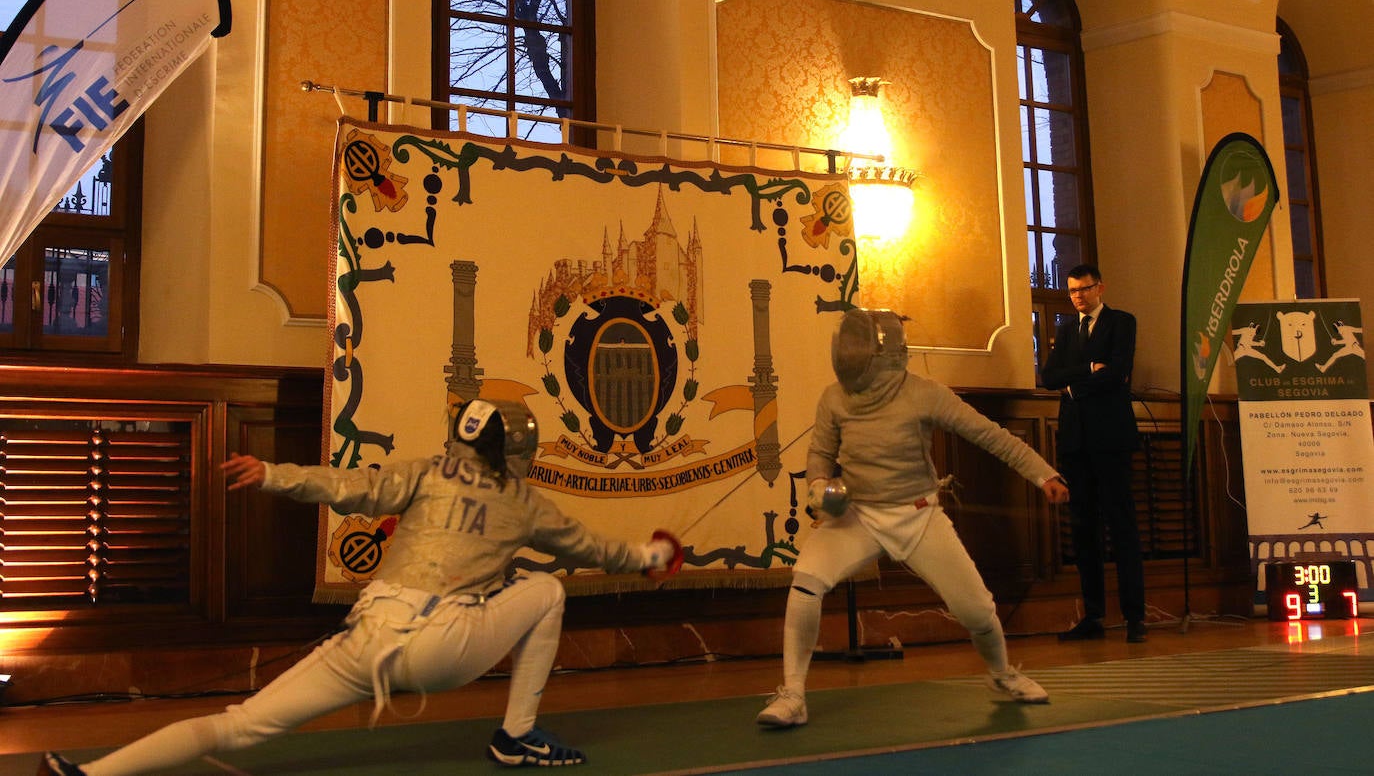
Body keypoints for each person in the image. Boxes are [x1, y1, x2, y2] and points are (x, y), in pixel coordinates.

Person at [40, 399, 682, 775]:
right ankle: (516, 734)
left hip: (366, 641)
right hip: (442, 652)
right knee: (547, 591)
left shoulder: (426, 474)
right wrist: (652, 555)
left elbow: (349, 486)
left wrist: (270, 471)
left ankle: (91, 775)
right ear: (515, 450)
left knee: (238, 724)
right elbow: (597, 551)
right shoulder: (526, 503)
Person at [756, 308, 1071, 728]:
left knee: (977, 611)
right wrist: (818, 484)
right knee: (807, 582)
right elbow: (821, 452)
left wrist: (1042, 472)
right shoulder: (834, 397)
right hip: (859, 515)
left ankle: (1000, 675)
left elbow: (989, 434)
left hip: (919, 517)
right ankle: (793, 695)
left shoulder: (925, 393)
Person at [1040, 263, 1146, 644]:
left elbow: (1117, 373)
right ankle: (1094, 616)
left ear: (1100, 287)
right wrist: (1086, 368)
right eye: (1071, 291)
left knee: (1122, 527)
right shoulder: (1067, 330)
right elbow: (1049, 377)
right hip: (1075, 440)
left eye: (1083, 289)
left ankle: (1135, 618)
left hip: (1111, 438)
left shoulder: (1121, 322)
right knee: (1083, 530)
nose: (1077, 297)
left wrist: (1074, 387)